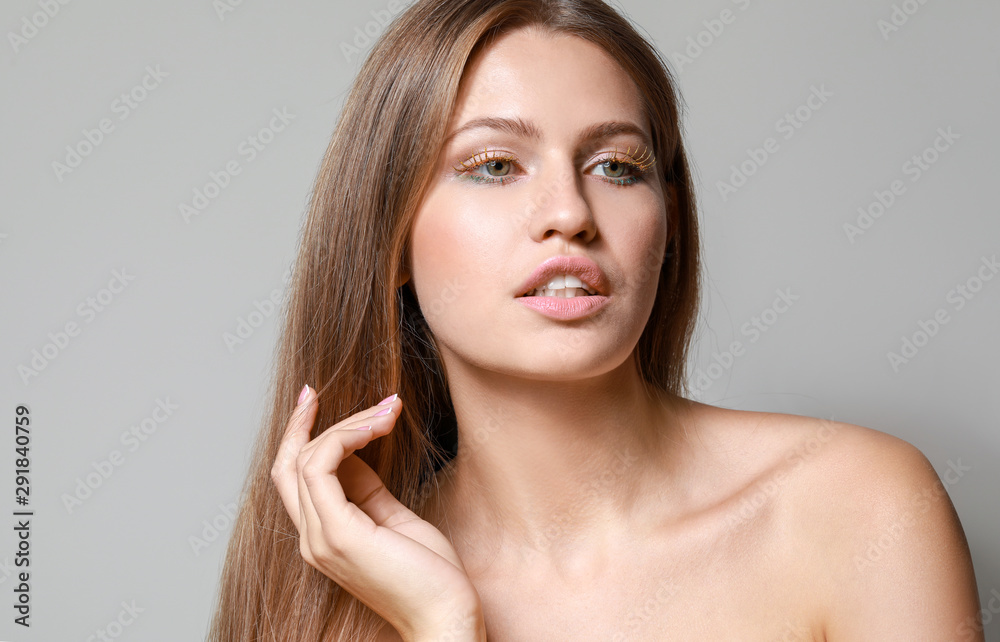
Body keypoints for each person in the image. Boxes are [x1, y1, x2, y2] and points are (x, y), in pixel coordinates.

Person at [207, 0, 983, 640]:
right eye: (494, 166)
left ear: (670, 223)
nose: (571, 214)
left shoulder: (856, 508)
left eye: (616, 165)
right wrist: (444, 625)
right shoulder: (340, 597)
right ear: (392, 237)